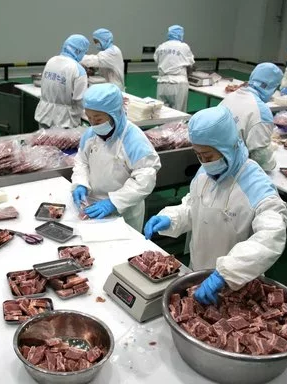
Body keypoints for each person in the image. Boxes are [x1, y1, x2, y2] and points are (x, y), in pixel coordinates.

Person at [144, 105, 287, 304]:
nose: (205, 162)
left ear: (229, 147)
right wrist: (170, 218)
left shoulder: (256, 186)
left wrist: (227, 272)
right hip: (197, 270)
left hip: (237, 282)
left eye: (209, 156)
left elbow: (270, 237)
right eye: (199, 155)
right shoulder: (205, 173)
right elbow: (193, 206)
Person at [71, 83, 161, 231]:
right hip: (91, 205)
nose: (93, 124)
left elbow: (144, 179)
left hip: (124, 211)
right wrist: (80, 183)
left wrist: (113, 202)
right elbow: (82, 161)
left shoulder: (134, 140)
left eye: (98, 119)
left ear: (115, 114)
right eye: (89, 117)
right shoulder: (90, 134)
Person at [219, 62, 283, 171]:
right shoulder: (261, 111)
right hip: (237, 171)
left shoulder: (230, 97)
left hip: (217, 161)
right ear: (272, 87)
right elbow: (261, 157)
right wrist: (272, 164)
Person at [35, 34, 90, 130]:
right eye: (84, 52)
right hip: (64, 121)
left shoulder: (51, 60)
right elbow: (80, 100)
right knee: (60, 145)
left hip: (44, 115)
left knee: (43, 144)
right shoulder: (78, 70)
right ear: (78, 51)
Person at [154, 25, 195, 112]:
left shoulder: (161, 47)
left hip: (162, 83)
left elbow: (157, 60)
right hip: (178, 83)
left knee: (162, 113)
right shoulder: (184, 47)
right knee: (178, 114)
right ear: (180, 35)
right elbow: (190, 63)